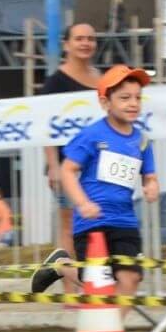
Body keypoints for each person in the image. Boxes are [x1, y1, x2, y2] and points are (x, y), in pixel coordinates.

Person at [33, 65, 159, 297]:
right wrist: (82, 203)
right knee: (99, 285)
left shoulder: (142, 141)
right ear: (105, 103)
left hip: (125, 222)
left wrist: (151, 187)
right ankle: (61, 266)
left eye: (137, 98)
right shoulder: (92, 135)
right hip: (91, 222)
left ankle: (116, 331)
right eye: (124, 98)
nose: (133, 104)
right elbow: (68, 171)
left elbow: (150, 176)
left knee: (130, 278)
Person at [34, 22, 103, 291]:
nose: (85, 43)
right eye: (79, 39)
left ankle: (91, 282)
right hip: (67, 166)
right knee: (70, 226)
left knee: (96, 224)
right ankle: (71, 292)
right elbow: (44, 126)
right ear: (67, 45)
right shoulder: (55, 83)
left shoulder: (101, 80)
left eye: (90, 38)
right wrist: (53, 165)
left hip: (98, 165)